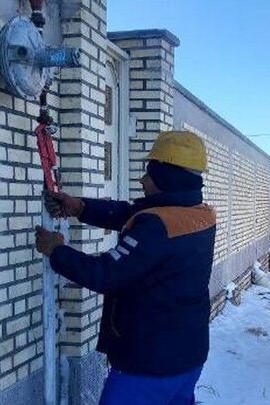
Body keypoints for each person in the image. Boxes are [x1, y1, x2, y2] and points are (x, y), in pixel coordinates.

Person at [34, 131, 216, 405]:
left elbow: (105, 274)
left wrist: (57, 250)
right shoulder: (199, 213)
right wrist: (80, 207)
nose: (142, 180)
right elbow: (133, 214)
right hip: (189, 356)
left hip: (150, 364)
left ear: (166, 176)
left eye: (149, 173)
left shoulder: (156, 227)